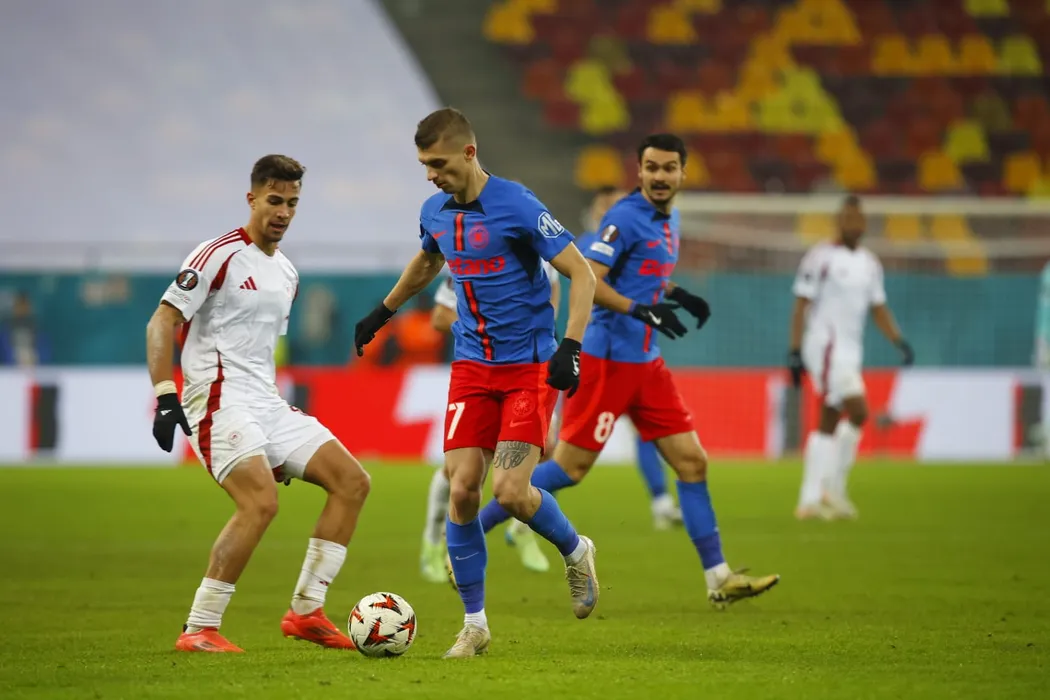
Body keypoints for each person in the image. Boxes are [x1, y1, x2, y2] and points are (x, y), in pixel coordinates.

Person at [475, 133, 781, 610]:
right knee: (569, 470)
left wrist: (676, 294)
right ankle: (471, 532)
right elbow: (590, 278)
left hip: (646, 363)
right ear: (639, 171)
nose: (660, 176)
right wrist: (641, 310)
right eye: (651, 167)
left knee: (692, 462)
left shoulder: (670, 218)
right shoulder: (624, 217)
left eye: (669, 168)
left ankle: (719, 576)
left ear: (683, 173)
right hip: (608, 361)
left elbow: (644, 272)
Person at [354, 107, 599, 658]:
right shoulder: (434, 211)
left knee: (509, 492)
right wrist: (383, 312)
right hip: (471, 368)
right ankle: (475, 625)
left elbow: (581, 272)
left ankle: (576, 549)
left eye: (438, 163)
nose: (430, 175)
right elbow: (427, 261)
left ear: (469, 152)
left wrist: (571, 346)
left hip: (528, 368)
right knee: (461, 489)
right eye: (424, 164)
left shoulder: (518, 204)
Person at [147, 155, 371, 653]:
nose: (283, 212)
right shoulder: (217, 254)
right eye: (274, 201)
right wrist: (164, 394)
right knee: (261, 502)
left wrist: (270, 439)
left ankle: (307, 611)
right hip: (216, 400)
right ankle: (199, 628)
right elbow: (162, 320)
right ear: (251, 199)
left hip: (266, 403)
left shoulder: (287, 273)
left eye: (292, 203)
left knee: (353, 482)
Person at [419, 267, 558, 583]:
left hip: (529, 366)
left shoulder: (546, 251)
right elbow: (440, 316)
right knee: (460, 473)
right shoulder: (471, 255)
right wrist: (491, 330)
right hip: (479, 370)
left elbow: (553, 296)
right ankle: (433, 543)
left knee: (546, 447)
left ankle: (521, 529)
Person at [788, 195, 914, 520]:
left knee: (838, 417)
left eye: (857, 218)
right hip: (825, 345)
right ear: (838, 221)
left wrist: (898, 340)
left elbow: (878, 306)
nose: (852, 223)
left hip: (850, 350)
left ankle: (821, 494)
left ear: (864, 223)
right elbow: (801, 303)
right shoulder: (820, 257)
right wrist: (795, 350)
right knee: (855, 410)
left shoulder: (870, 264)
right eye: (846, 217)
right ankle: (822, 493)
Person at [580, 186, 683, 530]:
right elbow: (589, 286)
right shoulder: (586, 247)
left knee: (646, 432)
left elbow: (649, 278)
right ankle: (524, 508)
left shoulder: (635, 237)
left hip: (635, 353)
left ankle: (661, 502)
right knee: (569, 453)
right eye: (604, 206)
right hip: (600, 353)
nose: (610, 213)